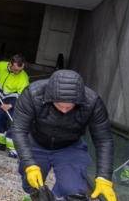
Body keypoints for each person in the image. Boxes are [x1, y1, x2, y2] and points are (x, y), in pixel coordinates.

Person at [12, 70, 116, 201]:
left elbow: (104, 140)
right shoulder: (32, 95)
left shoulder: (92, 103)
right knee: (32, 184)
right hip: (36, 143)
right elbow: (19, 130)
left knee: (72, 189)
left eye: (70, 106)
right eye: (60, 105)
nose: (65, 110)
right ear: (49, 97)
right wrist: (29, 164)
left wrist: (104, 177)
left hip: (70, 147)